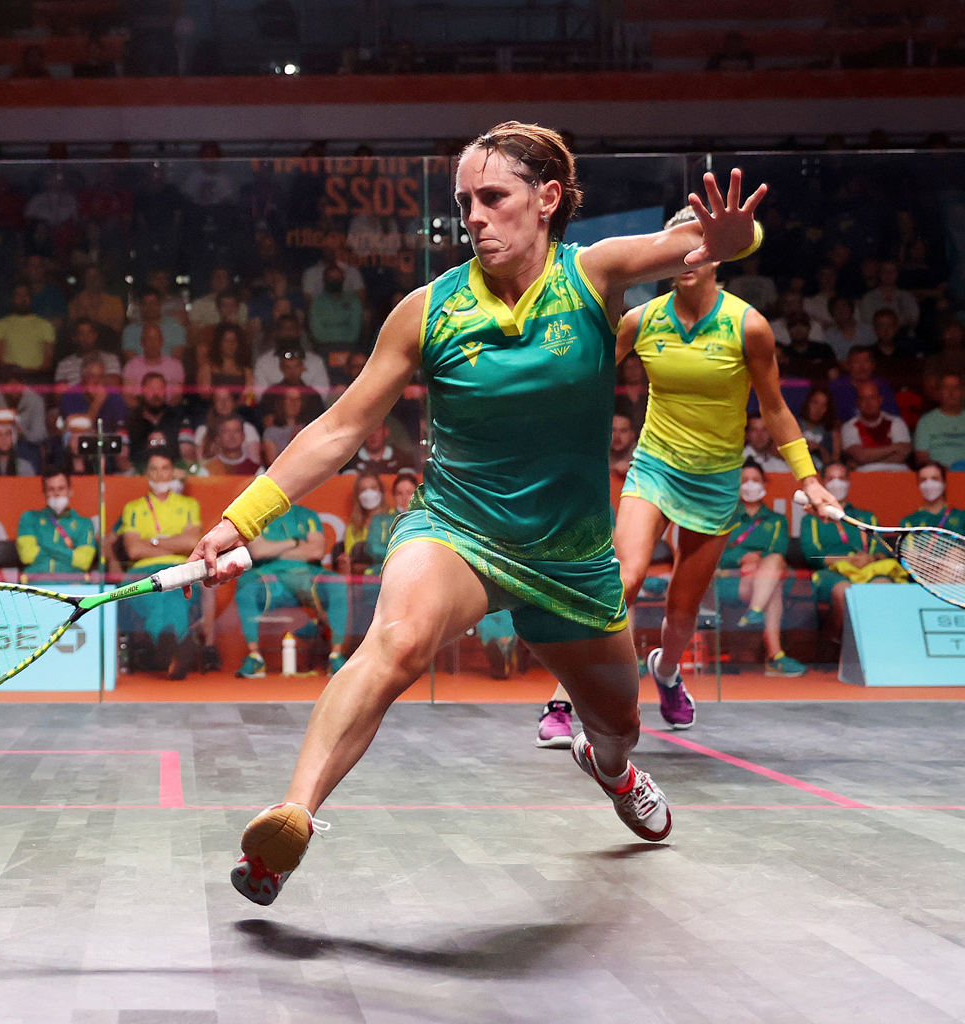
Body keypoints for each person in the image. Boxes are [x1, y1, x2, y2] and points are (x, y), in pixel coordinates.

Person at [191, 124, 799, 906]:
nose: (473, 216)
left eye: (493, 197)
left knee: (617, 726)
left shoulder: (594, 275)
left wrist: (732, 233)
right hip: (457, 531)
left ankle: (610, 770)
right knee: (398, 642)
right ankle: (292, 818)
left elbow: (699, 242)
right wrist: (242, 518)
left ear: (546, 200)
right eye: (463, 202)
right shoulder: (428, 310)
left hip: (572, 558)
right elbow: (340, 429)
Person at [552, 204, 833, 741]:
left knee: (682, 612)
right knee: (624, 578)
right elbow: (583, 374)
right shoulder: (642, 319)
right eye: (677, 241)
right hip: (654, 465)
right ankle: (564, 699)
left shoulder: (747, 326)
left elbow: (774, 409)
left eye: (699, 241)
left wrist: (809, 478)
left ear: (718, 255)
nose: (687, 253)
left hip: (715, 480)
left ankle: (666, 670)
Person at [231, 503, 349, 679]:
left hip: (307, 578)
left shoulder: (307, 514)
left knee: (336, 582)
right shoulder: (255, 514)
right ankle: (255, 658)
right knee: (247, 587)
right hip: (271, 581)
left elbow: (316, 551)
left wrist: (273, 550)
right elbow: (258, 551)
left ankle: (336, 656)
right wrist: (294, 542)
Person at [117, 451, 202, 677]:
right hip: (142, 571)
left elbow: (192, 542)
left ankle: (166, 644)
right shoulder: (133, 508)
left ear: (172, 471)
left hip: (180, 569)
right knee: (157, 595)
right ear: (146, 474)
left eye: (165, 468)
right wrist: (174, 542)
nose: (160, 474)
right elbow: (134, 549)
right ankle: (178, 643)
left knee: (173, 595)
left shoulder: (189, 505)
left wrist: (152, 541)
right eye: (154, 469)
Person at [718, 463, 806, 677]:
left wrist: (757, 562)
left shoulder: (776, 520)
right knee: (772, 584)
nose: (750, 485)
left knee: (773, 562)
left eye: (755, 480)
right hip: (732, 580)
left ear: (765, 484)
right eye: (744, 480)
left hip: (761, 577)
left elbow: (778, 551)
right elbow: (716, 555)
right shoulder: (725, 517)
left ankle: (756, 612)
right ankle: (775, 657)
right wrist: (741, 558)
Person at [801, 463, 903, 645]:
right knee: (844, 592)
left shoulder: (866, 517)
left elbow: (881, 550)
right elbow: (812, 556)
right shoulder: (811, 519)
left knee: (883, 585)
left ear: (849, 481)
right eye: (831, 479)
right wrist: (847, 560)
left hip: (867, 570)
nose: (836, 483)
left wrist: (869, 558)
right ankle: (843, 644)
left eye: (841, 478)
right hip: (832, 574)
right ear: (822, 482)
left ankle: (880, 645)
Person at [16, 470, 98, 581]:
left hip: (72, 585)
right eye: (51, 489)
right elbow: (28, 556)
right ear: (44, 493)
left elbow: (84, 561)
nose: (56, 493)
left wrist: (43, 546)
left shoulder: (84, 523)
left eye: (61, 488)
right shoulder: (29, 518)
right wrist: (71, 554)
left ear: (70, 491)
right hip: (37, 584)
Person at [840, 380, 911, 472]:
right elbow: (861, 456)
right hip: (864, 476)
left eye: (872, 397)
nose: (868, 403)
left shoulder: (896, 422)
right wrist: (895, 447)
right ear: (858, 402)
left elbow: (903, 455)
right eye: (863, 398)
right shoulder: (849, 426)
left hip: (897, 474)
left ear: (880, 400)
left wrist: (868, 459)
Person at [0, 283, 57, 380]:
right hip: (9, 378)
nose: (22, 299)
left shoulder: (45, 325)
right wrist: (13, 372)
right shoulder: (1, 324)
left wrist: (30, 372)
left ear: (31, 298)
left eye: (26, 295)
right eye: (18, 295)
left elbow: (48, 361)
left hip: (36, 378)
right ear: (12, 299)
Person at [125, 372, 185, 465]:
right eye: (151, 389)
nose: (156, 393)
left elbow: (186, 455)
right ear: (142, 391)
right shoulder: (130, 420)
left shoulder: (178, 418)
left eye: (160, 389)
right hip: (139, 475)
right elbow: (124, 458)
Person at [121, 324, 185, 406]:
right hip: (140, 413)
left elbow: (176, 396)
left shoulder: (175, 366)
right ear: (142, 342)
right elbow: (128, 396)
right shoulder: (131, 366)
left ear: (162, 342)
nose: (152, 343)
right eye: (149, 339)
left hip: (168, 413)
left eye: (156, 339)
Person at [829, 347, 898, 422]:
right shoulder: (837, 386)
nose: (862, 366)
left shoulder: (882, 386)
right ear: (848, 366)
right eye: (856, 362)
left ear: (872, 365)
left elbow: (893, 417)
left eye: (866, 361)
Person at [914, 374, 965, 469]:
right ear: (938, 393)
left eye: (955, 388)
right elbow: (921, 458)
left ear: (963, 392)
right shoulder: (926, 421)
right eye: (946, 388)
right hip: (939, 477)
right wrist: (943, 471)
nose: (951, 392)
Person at [121, 288, 186, 359]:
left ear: (160, 303)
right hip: (140, 369)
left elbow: (176, 359)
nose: (150, 307)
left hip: (169, 369)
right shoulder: (130, 331)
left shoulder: (175, 328)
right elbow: (131, 361)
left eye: (153, 303)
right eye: (146, 304)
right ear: (140, 306)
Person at [901, 462, 965, 533]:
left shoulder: (962, 517)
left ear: (944, 483)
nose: (929, 484)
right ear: (918, 484)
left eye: (934, 479)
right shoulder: (908, 521)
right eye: (923, 479)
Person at [54, 317, 121, 386]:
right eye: (81, 334)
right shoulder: (64, 364)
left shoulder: (111, 359)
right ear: (74, 338)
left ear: (95, 335)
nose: (86, 337)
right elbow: (59, 394)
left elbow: (114, 387)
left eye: (89, 333)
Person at [797, 388, 839, 469]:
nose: (818, 409)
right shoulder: (794, 426)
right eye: (815, 403)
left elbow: (834, 464)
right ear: (808, 403)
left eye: (823, 405)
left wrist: (820, 449)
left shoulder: (832, 432)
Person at [608, 413, 636, 478]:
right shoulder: (597, 450)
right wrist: (613, 468)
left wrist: (632, 470)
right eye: (613, 430)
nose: (617, 436)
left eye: (623, 431)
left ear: (632, 434)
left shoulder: (641, 454)